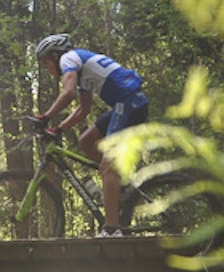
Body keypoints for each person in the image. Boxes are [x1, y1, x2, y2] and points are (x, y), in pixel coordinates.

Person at [33, 34, 149, 237]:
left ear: (55, 55)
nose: (47, 68)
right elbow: (83, 109)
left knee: (107, 165)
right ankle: (119, 186)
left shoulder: (68, 59)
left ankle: (112, 229)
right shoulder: (80, 67)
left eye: (46, 62)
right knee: (86, 140)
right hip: (127, 103)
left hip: (129, 103)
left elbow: (68, 93)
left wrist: (45, 117)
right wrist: (58, 128)